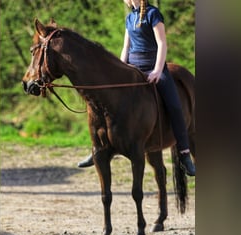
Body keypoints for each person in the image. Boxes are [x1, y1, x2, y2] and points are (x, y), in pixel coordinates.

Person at [78, 0, 195, 176]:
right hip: (133, 67)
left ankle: (185, 153)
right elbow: (126, 47)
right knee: (108, 104)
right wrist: (118, 68)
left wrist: (157, 70)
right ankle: (100, 148)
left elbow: (162, 43)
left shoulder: (153, 14)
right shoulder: (130, 18)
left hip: (154, 67)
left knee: (175, 106)